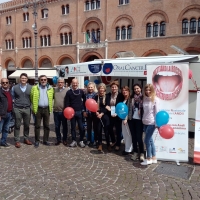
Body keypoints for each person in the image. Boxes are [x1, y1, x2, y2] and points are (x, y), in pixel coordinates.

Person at [31, 75, 54, 148]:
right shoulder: (34, 88)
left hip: (47, 109)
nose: (43, 81)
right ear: (39, 80)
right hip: (38, 109)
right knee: (37, 126)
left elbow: (52, 97)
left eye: (45, 79)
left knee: (46, 126)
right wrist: (34, 108)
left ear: (47, 80)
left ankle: (45, 140)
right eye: (42, 80)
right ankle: (37, 140)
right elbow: (31, 97)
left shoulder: (50, 88)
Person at [12, 73, 32, 148]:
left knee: (27, 125)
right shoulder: (15, 87)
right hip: (18, 108)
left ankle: (26, 138)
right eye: (22, 78)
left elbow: (32, 98)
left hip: (27, 108)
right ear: (20, 79)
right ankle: (17, 140)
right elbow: (12, 97)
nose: (23, 79)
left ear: (27, 79)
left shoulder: (30, 87)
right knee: (17, 125)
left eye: (25, 78)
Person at [64, 78, 86, 148]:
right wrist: (67, 112)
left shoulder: (81, 92)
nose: (75, 84)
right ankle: (74, 141)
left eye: (76, 83)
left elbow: (85, 101)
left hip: (80, 112)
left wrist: (83, 110)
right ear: (71, 83)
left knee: (81, 127)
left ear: (78, 83)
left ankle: (81, 140)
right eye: (73, 83)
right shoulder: (69, 92)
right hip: (71, 113)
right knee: (73, 127)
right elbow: (66, 103)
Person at [141, 84, 158, 165]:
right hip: (145, 122)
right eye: (146, 90)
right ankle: (154, 157)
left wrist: (157, 123)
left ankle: (148, 158)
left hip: (152, 123)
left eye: (149, 90)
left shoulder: (155, 99)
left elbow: (156, 112)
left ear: (152, 91)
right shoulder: (144, 99)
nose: (147, 91)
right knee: (150, 140)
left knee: (146, 140)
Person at [129, 83, 145, 161]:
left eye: (137, 88)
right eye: (135, 89)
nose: (136, 90)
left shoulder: (144, 98)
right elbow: (129, 109)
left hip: (140, 120)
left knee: (139, 137)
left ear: (140, 88)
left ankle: (141, 153)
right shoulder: (131, 98)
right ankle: (135, 152)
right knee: (133, 137)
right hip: (132, 119)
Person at [107, 80, 124, 151]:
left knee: (118, 130)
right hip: (110, 113)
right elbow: (106, 104)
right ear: (110, 88)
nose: (114, 88)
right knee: (110, 128)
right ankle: (113, 141)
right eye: (112, 87)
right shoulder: (108, 95)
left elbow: (122, 106)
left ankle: (118, 144)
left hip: (118, 114)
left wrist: (117, 113)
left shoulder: (120, 95)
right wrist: (108, 108)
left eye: (115, 87)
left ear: (117, 87)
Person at [94, 83, 110, 152]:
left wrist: (102, 113)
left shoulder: (107, 96)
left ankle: (108, 144)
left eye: (102, 88)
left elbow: (107, 106)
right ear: (98, 89)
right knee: (99, 130)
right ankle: (100, 144)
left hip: (105, 115)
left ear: (104, 89)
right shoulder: (96, 97)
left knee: (106, 131)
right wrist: (96, 112)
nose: (101, 89)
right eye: (100, 88)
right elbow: (94, 106)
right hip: (98, 116)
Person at [53, 77, 69, 146]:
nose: (60, 83)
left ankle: (64, 139)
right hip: (56, 111)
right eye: (59, 82)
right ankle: (58, 139)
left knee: (64, 126)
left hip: (64, 112)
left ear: (64, 83)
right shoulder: (54, 90)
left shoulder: (67, 90)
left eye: (61, 82)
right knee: (57, 126)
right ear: (57, 83)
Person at [83, 82, 97, 146]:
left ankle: (94, 140)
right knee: (88, 128)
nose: (90, 88)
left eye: (91, 87)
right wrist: (84, 111)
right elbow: (84, 104)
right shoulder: (85, 95)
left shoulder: (96, 95)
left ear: (94, 88)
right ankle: (88, 140)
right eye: (89, 87)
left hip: (94, 113)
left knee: (95, 127)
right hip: (87, 113)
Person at [0, 78, 13, 147]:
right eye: (3, 83)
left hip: (9, 113)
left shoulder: (10, 91)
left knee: (6, 129)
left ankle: (3, 142)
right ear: (1, 84)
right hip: (1, 114)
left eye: (6, 82)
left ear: (8, 83)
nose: (5, 84)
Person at [121, 86, 133, 155]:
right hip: (122, 119)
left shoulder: (130, 99)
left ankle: (129, 150)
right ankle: (127, 148)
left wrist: (126, 118)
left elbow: (130, 110)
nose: (124, 91)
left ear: (129, 91)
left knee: (128, 134)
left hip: (128, 120)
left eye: (126, 90)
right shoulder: (124, 99)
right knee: (125, 134)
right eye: (123, 90)